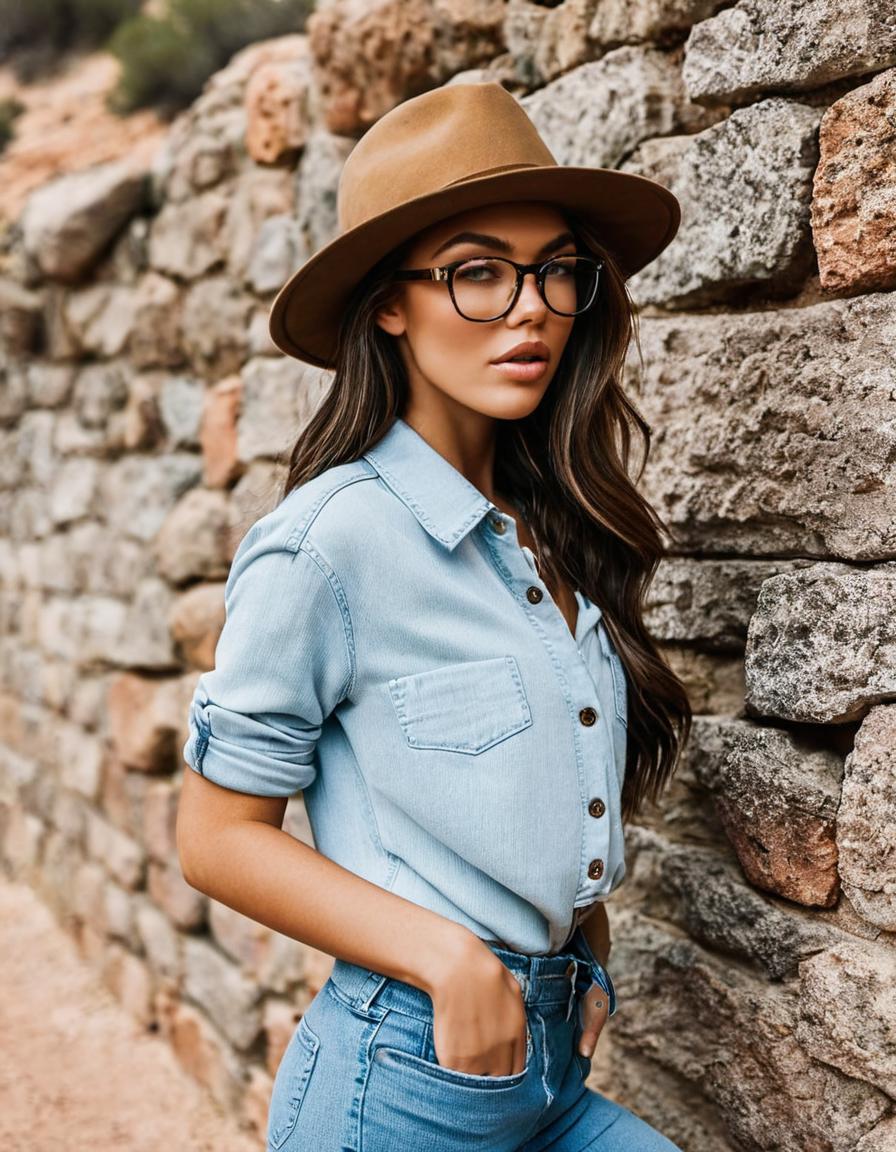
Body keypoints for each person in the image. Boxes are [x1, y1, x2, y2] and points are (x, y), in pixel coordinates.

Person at [176, 81, 692, 1151]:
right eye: (476, 273)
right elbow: (216, 839)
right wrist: (447, 958)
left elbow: (538, 794)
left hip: (547, 1065)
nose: (532, 306)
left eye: (556, 269)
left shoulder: (556, 528)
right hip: (405, 1079)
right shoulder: (328, 543)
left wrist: (579, 948)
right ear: (387, 304)